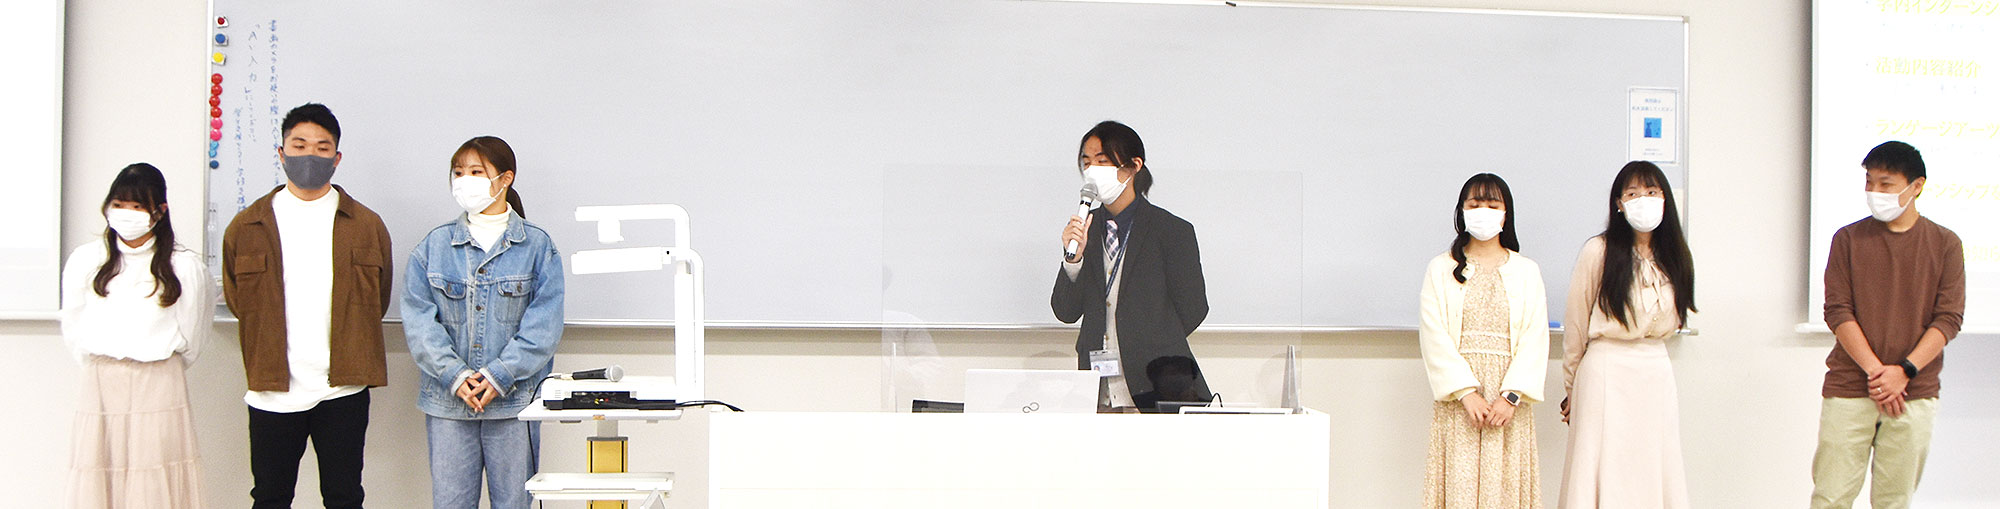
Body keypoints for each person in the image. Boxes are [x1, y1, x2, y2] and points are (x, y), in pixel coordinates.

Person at [222, 103, 393, 509]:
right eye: (299, 146)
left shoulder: (366, 224)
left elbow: (378, 299)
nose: (309, 156)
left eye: (321, 148)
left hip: (343, 388)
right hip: (273, 390)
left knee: (344, 497)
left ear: (337, 158)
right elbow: (237, 299)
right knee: (270, 497)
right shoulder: (247, 226)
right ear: (281, 153)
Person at [402, 136, 565, 509]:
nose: (465, 181)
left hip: (514, 402)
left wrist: (498, 375)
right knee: (451, 503)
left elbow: (543, 326)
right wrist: (455, 375)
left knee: (514, 503)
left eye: (476, 172)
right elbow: (419, 321)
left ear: (505, 179)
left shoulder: (537, 246)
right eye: (458, 172)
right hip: (449, 402)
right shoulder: (433, 246)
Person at [1810, 141, 1964, 509]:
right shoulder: (1848, 239)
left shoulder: (1945, 244)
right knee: (1830, 496)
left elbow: (1948, 318)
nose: (1874, 192)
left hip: (1915, 390)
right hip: (1850, 385)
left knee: (1895, 500)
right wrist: (1878, 374)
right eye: (1869, 182)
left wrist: (1904, 371)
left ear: (1916, 186)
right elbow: (1838, 311)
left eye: (1886, 184)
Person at [62, 163, 212, 509]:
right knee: (100, 472)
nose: (126, 213)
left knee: (154, 476)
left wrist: (158, 363)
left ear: (159, 211)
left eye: (137, 205)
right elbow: (73, 325)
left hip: (159, 380)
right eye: (119, 204)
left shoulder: (184, 266)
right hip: (101, 381)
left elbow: (193, 335)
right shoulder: (87, 259)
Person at [1558, 161, 1696, 509]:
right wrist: (1572, 388)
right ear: (1619, 203)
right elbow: (1576, 324)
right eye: (1632, 194)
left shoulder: (1675, 255)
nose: (1643, 200)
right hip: (1607, 369)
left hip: (1655, 369)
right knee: (1603, 465)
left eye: (1651, 192)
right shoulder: (1598, 251)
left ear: (1665, 199)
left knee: (1654, 463)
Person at [1050, 120, 1210, 411]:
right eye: (1087, 162)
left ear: (1133, 166)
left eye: (1102, 161)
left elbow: (1194, 308)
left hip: (1157, 386)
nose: (1092, 170)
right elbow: (1065, 311)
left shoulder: (1171, 230)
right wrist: (1073, 259)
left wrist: (1149, 342)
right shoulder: (1086, 230)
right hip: (1096, 390)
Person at [1418, 173, 1549, 508]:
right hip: (1460, 401)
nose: (1483, 212)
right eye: (1475, 204)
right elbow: (1434, 334)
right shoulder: (1441, 268)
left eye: (1492, 205)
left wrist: (1511, 397)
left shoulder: (1526, 271)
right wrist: (1466, 393)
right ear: (1461, 211)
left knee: (1504, 491)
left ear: (1506, 214)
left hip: (1509, 401)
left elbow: (1535, 336)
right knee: (1459, 489)